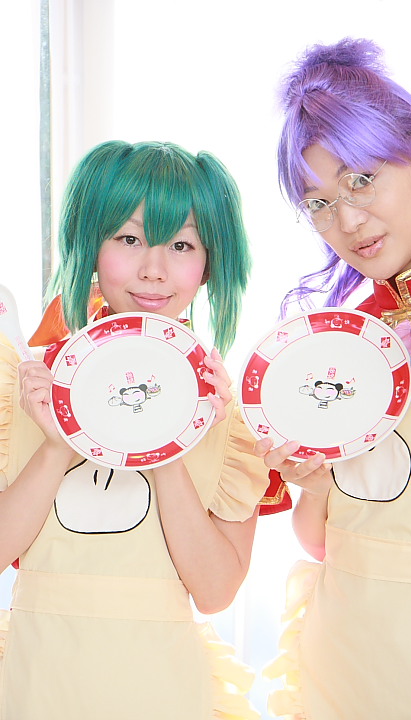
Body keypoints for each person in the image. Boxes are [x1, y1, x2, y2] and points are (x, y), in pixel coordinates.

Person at [0, 140, 270, 720]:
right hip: (34, 684)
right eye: (128, 239)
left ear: (208, 264)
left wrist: (168, 444)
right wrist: (55, 448)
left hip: (163, 691)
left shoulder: (231, 418)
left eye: (181, 245)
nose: (154, 269)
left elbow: (216, 592)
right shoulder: (20, 388)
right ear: (90, 245)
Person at [255, 38, 411, 719]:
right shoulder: (344, 341)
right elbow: (329, 541)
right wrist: (315, 480)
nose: (346, 222)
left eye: (360, 180)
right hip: (346, 656)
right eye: (318, 203)